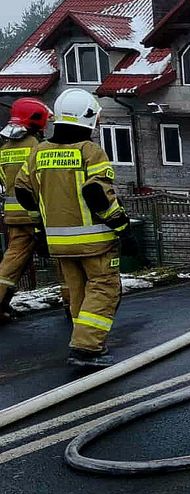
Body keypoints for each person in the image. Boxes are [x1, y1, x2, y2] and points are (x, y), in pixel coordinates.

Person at [14, 89, 137, 368]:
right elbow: (97, 194)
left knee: (78, 291)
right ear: (89, 117)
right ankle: (87, 348)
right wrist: (122, 227)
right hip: (95, 242)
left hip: (59, 242)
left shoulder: (38, 152)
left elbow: (23, 191)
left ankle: (82, 340)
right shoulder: (90, 152)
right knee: (104, 288)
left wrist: (41, 229)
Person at [0, 98, 53, 323]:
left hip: (13, 216)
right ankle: (74, 307)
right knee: (65, 261)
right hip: (38, 214)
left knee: (11, 263)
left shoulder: (3, 150)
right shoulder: (37, 147)